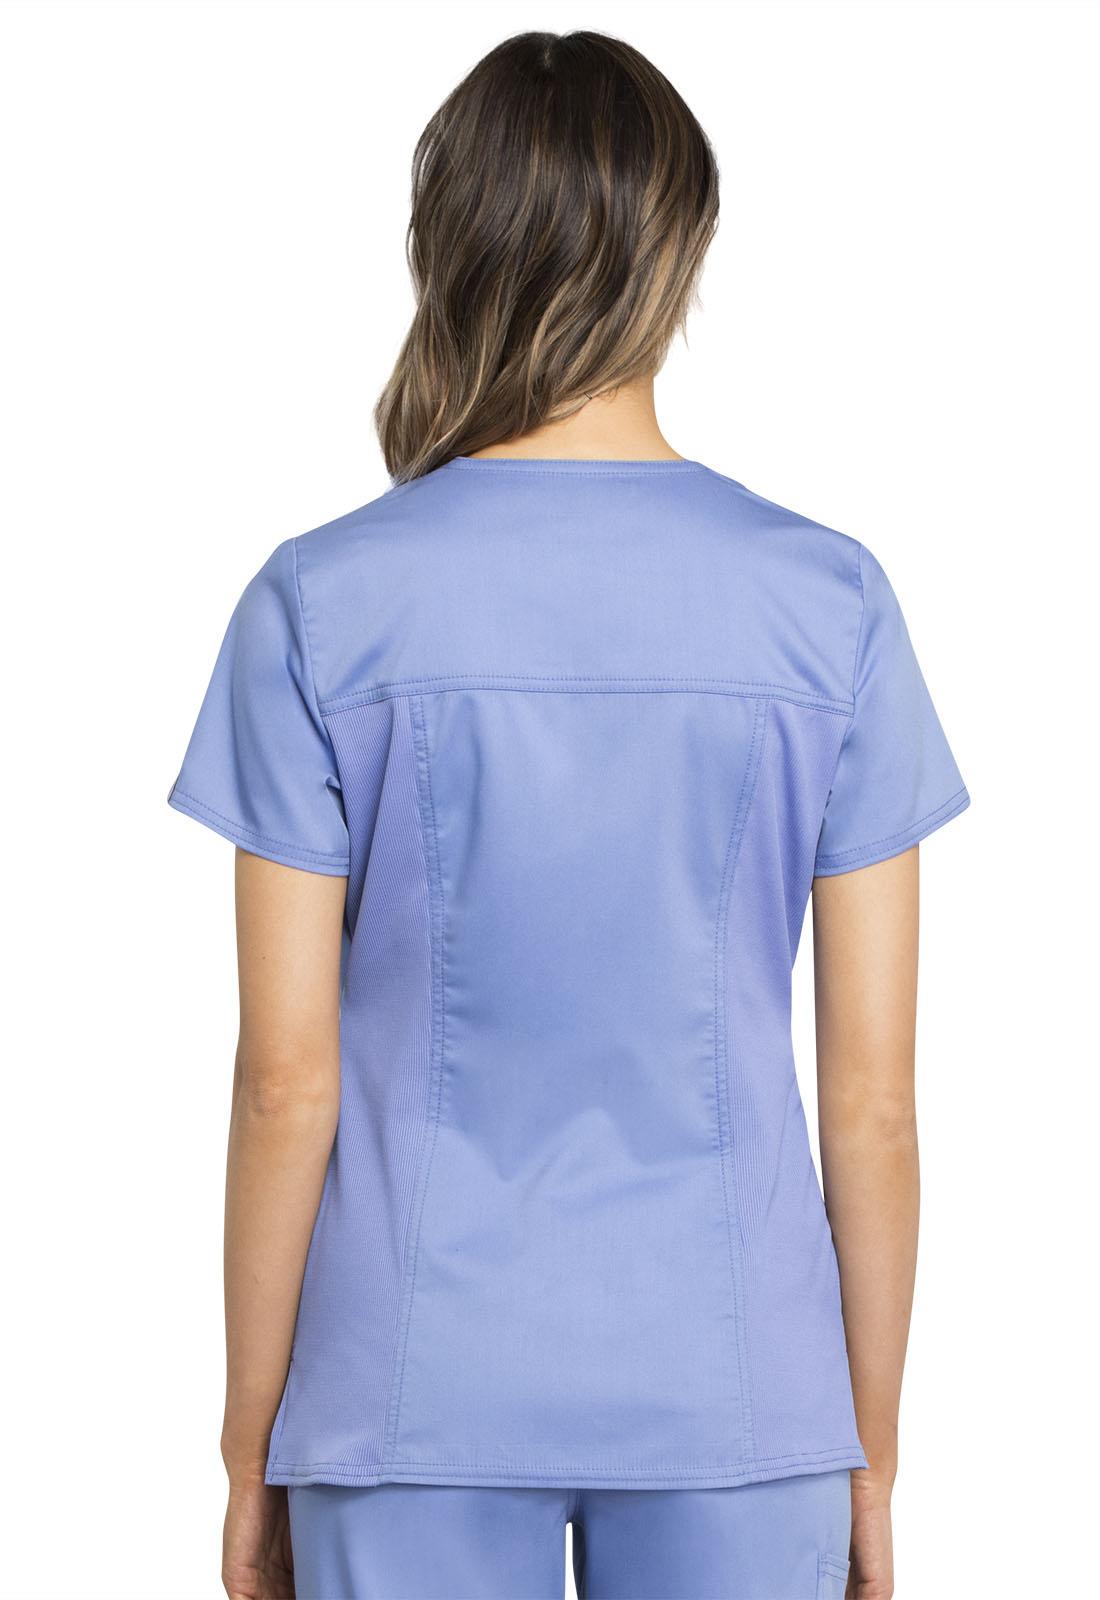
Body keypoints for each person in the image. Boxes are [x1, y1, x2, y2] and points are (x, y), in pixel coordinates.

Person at [168, 30, 969, 1600]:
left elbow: (283, 1082)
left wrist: (251, 1443)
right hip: (743, 1393)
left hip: (403, 1391)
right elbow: (873, 1104)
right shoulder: (830, 604)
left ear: (445, 247)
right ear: (679, 253)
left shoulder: (320, 602)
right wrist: (868, 1453)